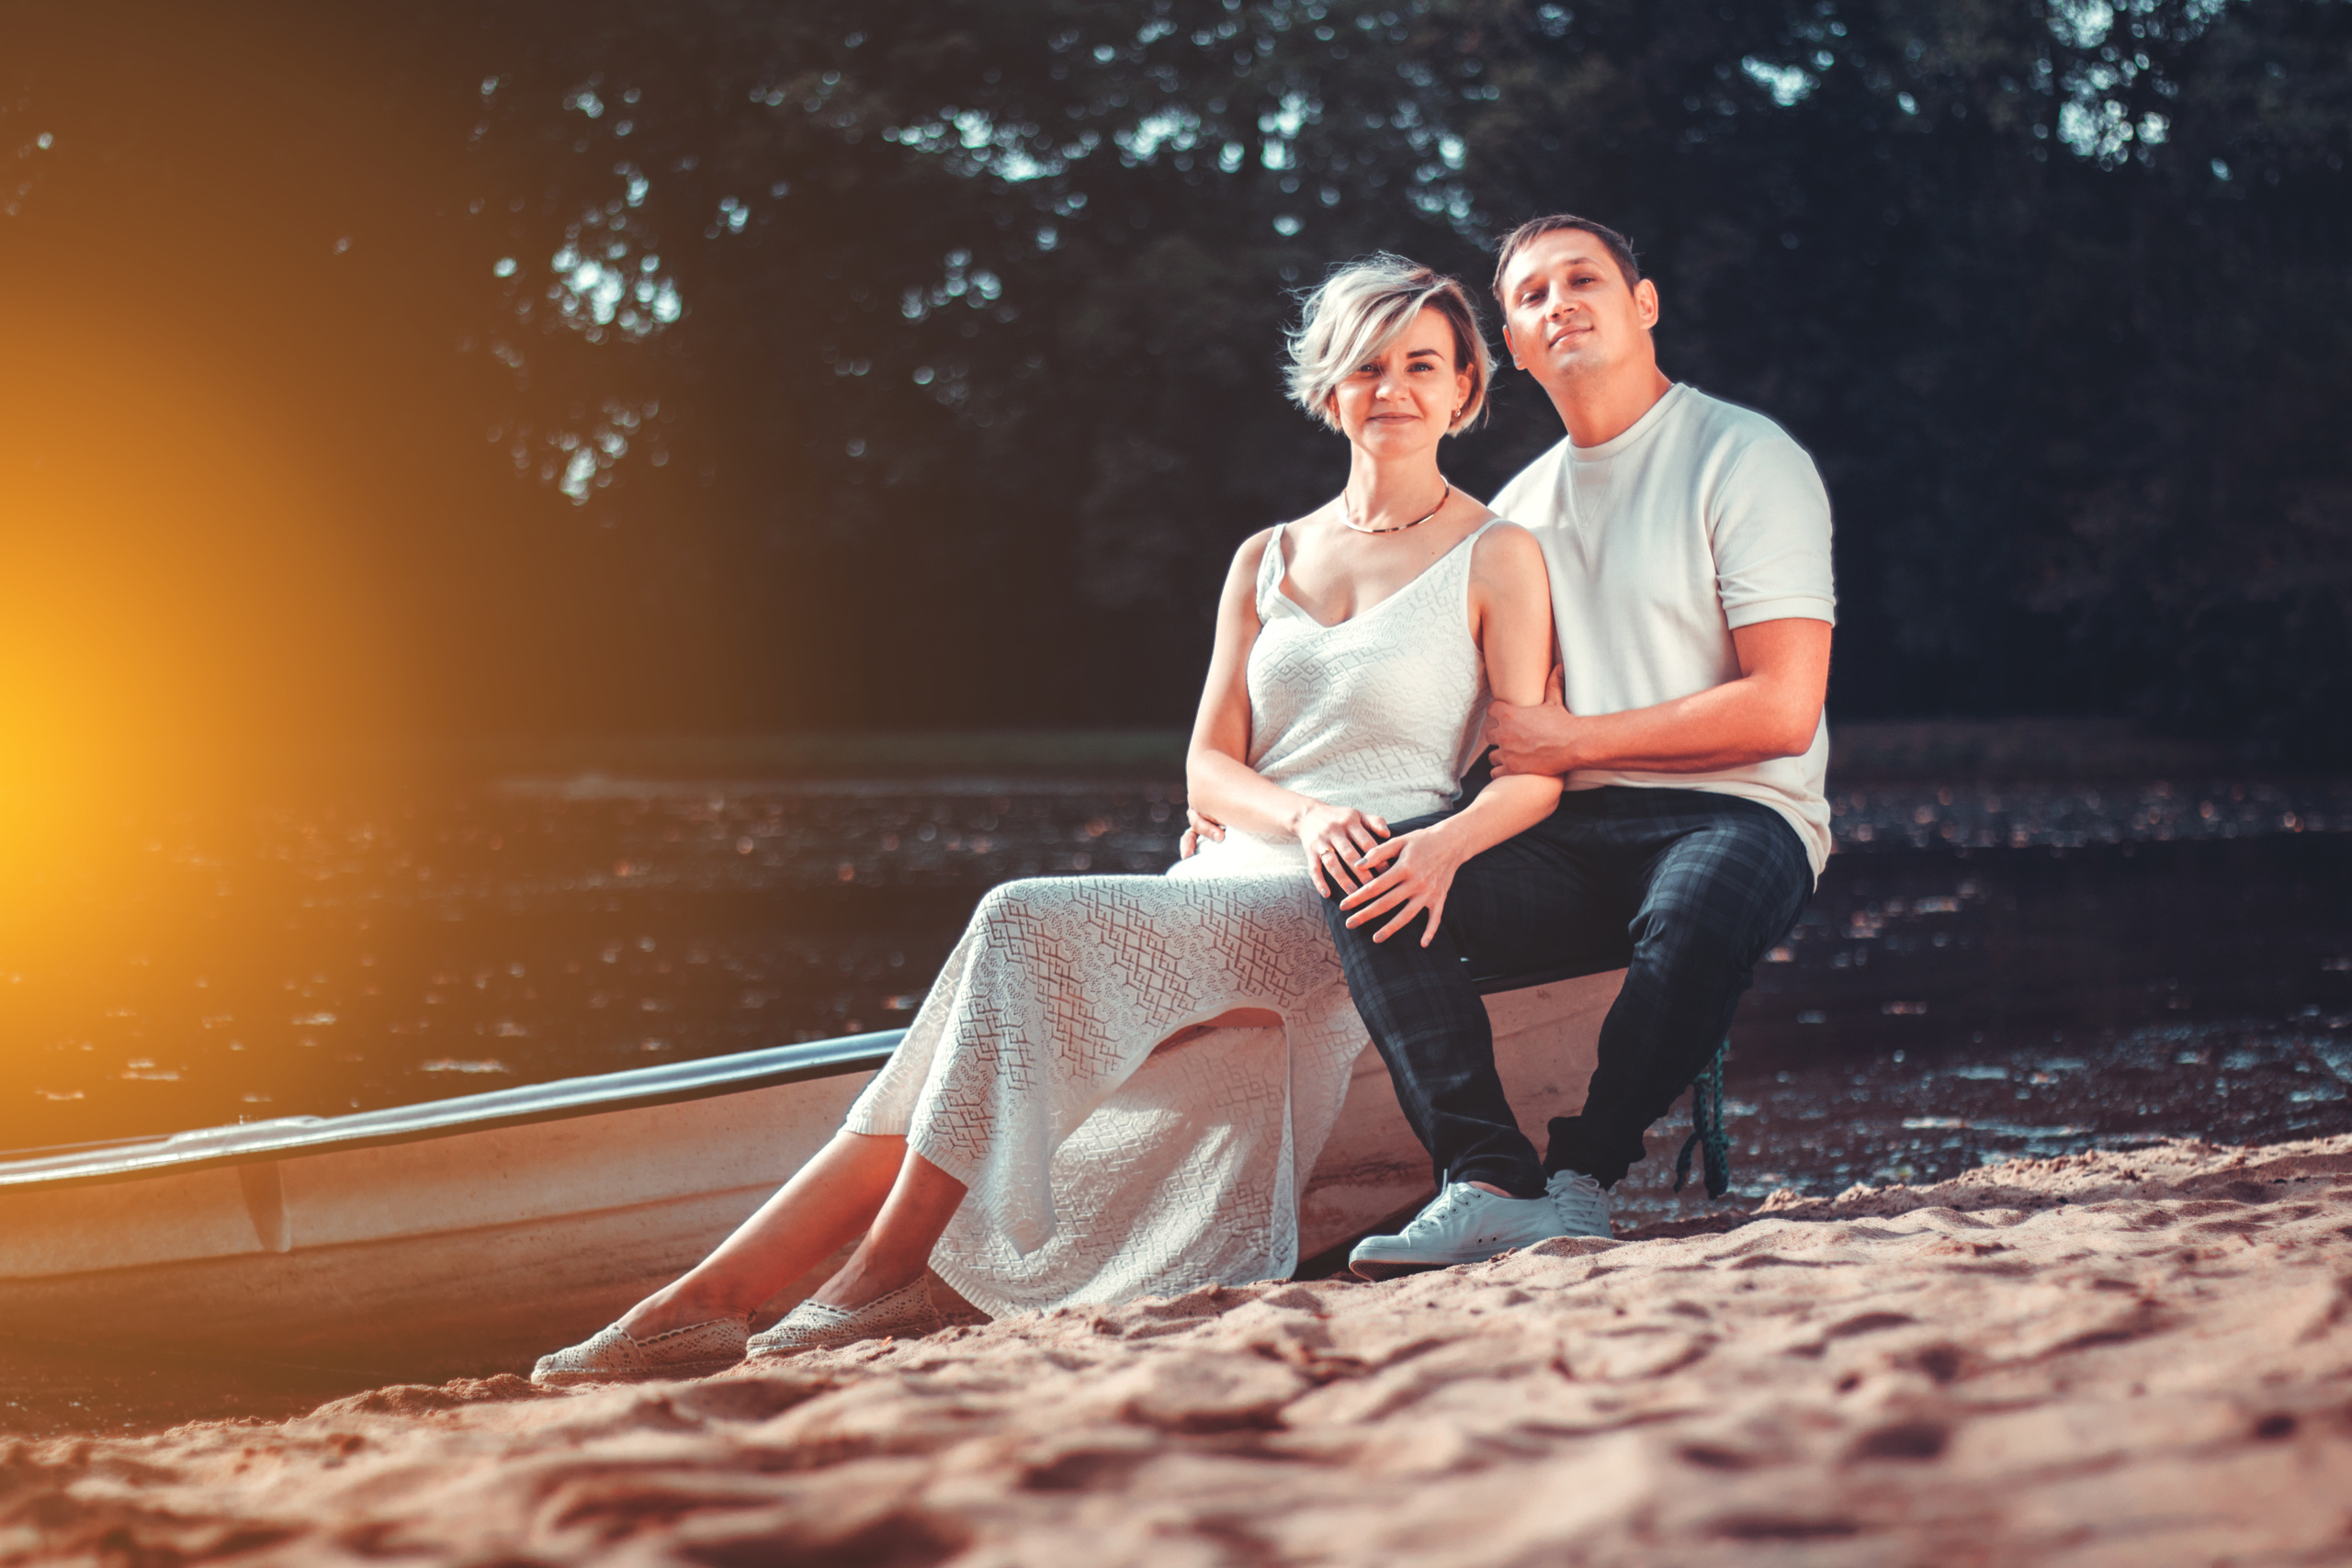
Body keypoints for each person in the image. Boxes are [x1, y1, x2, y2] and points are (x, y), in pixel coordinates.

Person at [532, 254, 1566, 1385]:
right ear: (1327, 387)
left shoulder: (1497, 555)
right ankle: (715, 1301)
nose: (1393, 389)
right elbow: (1207, 768)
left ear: (1465, 389)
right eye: (1367, 366)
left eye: (1423, 365)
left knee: (1017, 918)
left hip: (1350, 904)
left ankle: (833, 1280)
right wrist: (1304, 811)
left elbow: (1533, 771)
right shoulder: (1264, 558)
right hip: (1226, 872)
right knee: (977, 1016)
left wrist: (1425, 848)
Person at [1196, 215, 1834, 1278]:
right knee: (1375, 874)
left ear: (1643, 304)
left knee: (1693, 909)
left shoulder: (1742, 456)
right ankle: (1487, 1181)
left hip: (1738, 807)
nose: (1558, 304)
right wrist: (1260, 815)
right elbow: (1466, 722)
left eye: (1583, 279)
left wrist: (1574, 738)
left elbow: (1783, 711)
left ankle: (1580, 1178)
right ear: (1514, 349)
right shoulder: (1515, 515)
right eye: (1531, 296)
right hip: (1567, 818)